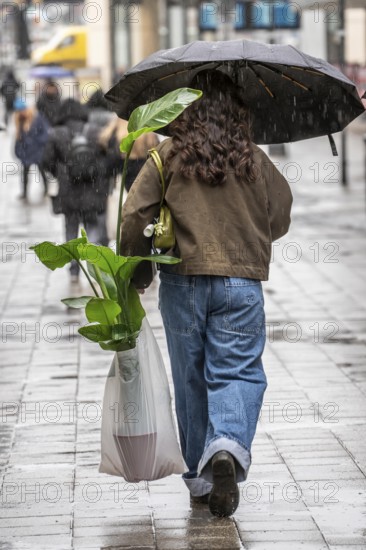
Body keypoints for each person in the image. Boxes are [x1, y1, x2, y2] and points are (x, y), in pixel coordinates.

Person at [119, 71, 293, 517]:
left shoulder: (167, 155)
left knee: (191, 378)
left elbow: (134, 216)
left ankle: (200, 477)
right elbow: (281, 215)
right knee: (237, 371)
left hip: (183, 280)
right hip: (241, 282)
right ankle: (227, 448)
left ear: (183, 108)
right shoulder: (252, 158)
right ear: (239, 111)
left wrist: (136, 274)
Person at [41, 99, 110, 282]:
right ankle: (95, 268)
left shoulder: (56, 133)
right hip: (92, 190)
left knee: (70, 229)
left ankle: (74, 270)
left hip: (68, 190)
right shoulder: (94, 131)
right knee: (93, 226)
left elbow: (46, 161)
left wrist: (61, 171)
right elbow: (107, 159)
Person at [99, 117, 159, 192]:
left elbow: (111, 161)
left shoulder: (115, 129)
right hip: (146, 173)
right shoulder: (148, 130)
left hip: (127, 174)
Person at [14, 98, 50, 199]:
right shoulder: (19, 121)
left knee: (42, 171)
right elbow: (18, 139)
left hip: (38, 151)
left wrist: (36, 142)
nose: (21, 113)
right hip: (27, 153)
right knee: (25, 174)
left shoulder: (38, 118)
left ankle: (46, 189)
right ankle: (25, 192)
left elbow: (45, 133)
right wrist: (19, 151)